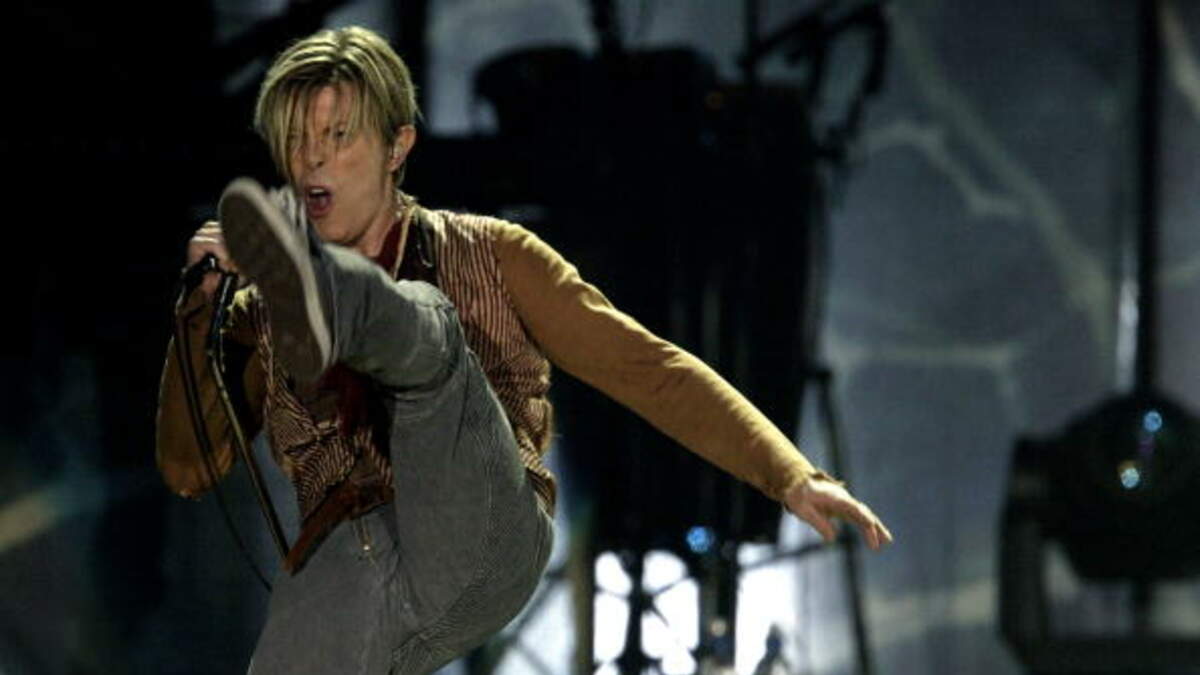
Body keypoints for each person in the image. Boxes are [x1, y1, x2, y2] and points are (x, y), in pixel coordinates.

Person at [155, 25, 892, 675]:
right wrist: (198, 312)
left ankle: (347, 298)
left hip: (481, 534)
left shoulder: (496, 255)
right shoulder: (257, 311)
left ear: (396, 147)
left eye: (338, 136)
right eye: (296, 141)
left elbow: (650, 369)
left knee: (429, 331)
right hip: (352, 561)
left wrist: (789, 474)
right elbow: (189, 469)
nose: (313, 160)